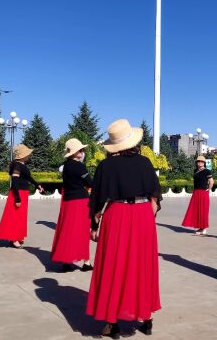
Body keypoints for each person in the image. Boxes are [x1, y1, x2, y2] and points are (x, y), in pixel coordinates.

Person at [86, 119, 162, 339]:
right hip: (142, 217)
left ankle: (112, 323)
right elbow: (155, 197)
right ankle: (147, 319)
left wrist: (94, 225)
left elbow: (97, 201)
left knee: (113, 266)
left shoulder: (106, 166)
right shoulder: (145, 163)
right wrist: (149, 214)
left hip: (116, 215)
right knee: (142, 265)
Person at [50, 138, 94, 272]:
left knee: (68, 230)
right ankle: (86, 262)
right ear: (74, 152)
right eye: (80, 150)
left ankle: (66, 260)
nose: (82, 151)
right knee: (82, 230)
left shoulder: (66, 166)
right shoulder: (80, 166)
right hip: (80, 200)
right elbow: (90, 183)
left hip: (68, 200)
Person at [0, 144, 44, 248]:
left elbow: (28, 177)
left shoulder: (21, 164)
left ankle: (17, 236)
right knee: (15, 217)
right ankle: (14, 239)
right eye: (27, 154)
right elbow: (15, 182)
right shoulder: (17, 165)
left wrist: (37, 185)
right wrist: (17, 198)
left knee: (20, 217)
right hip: (18, 193)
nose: (29, 155)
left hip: (23, 193)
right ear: (22, 155)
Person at [181, 155, 214, 235]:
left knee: (203, 211)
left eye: (202, 161)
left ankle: (204, 228)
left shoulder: (207, 171)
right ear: (196, 163)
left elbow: (211, 181)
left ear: (204, 163)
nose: (200, 163)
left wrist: (209, 189)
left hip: (203, 193)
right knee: (196, 210)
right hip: (196, 192)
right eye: (198, 161)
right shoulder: (195, 170)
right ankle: (200, 228)